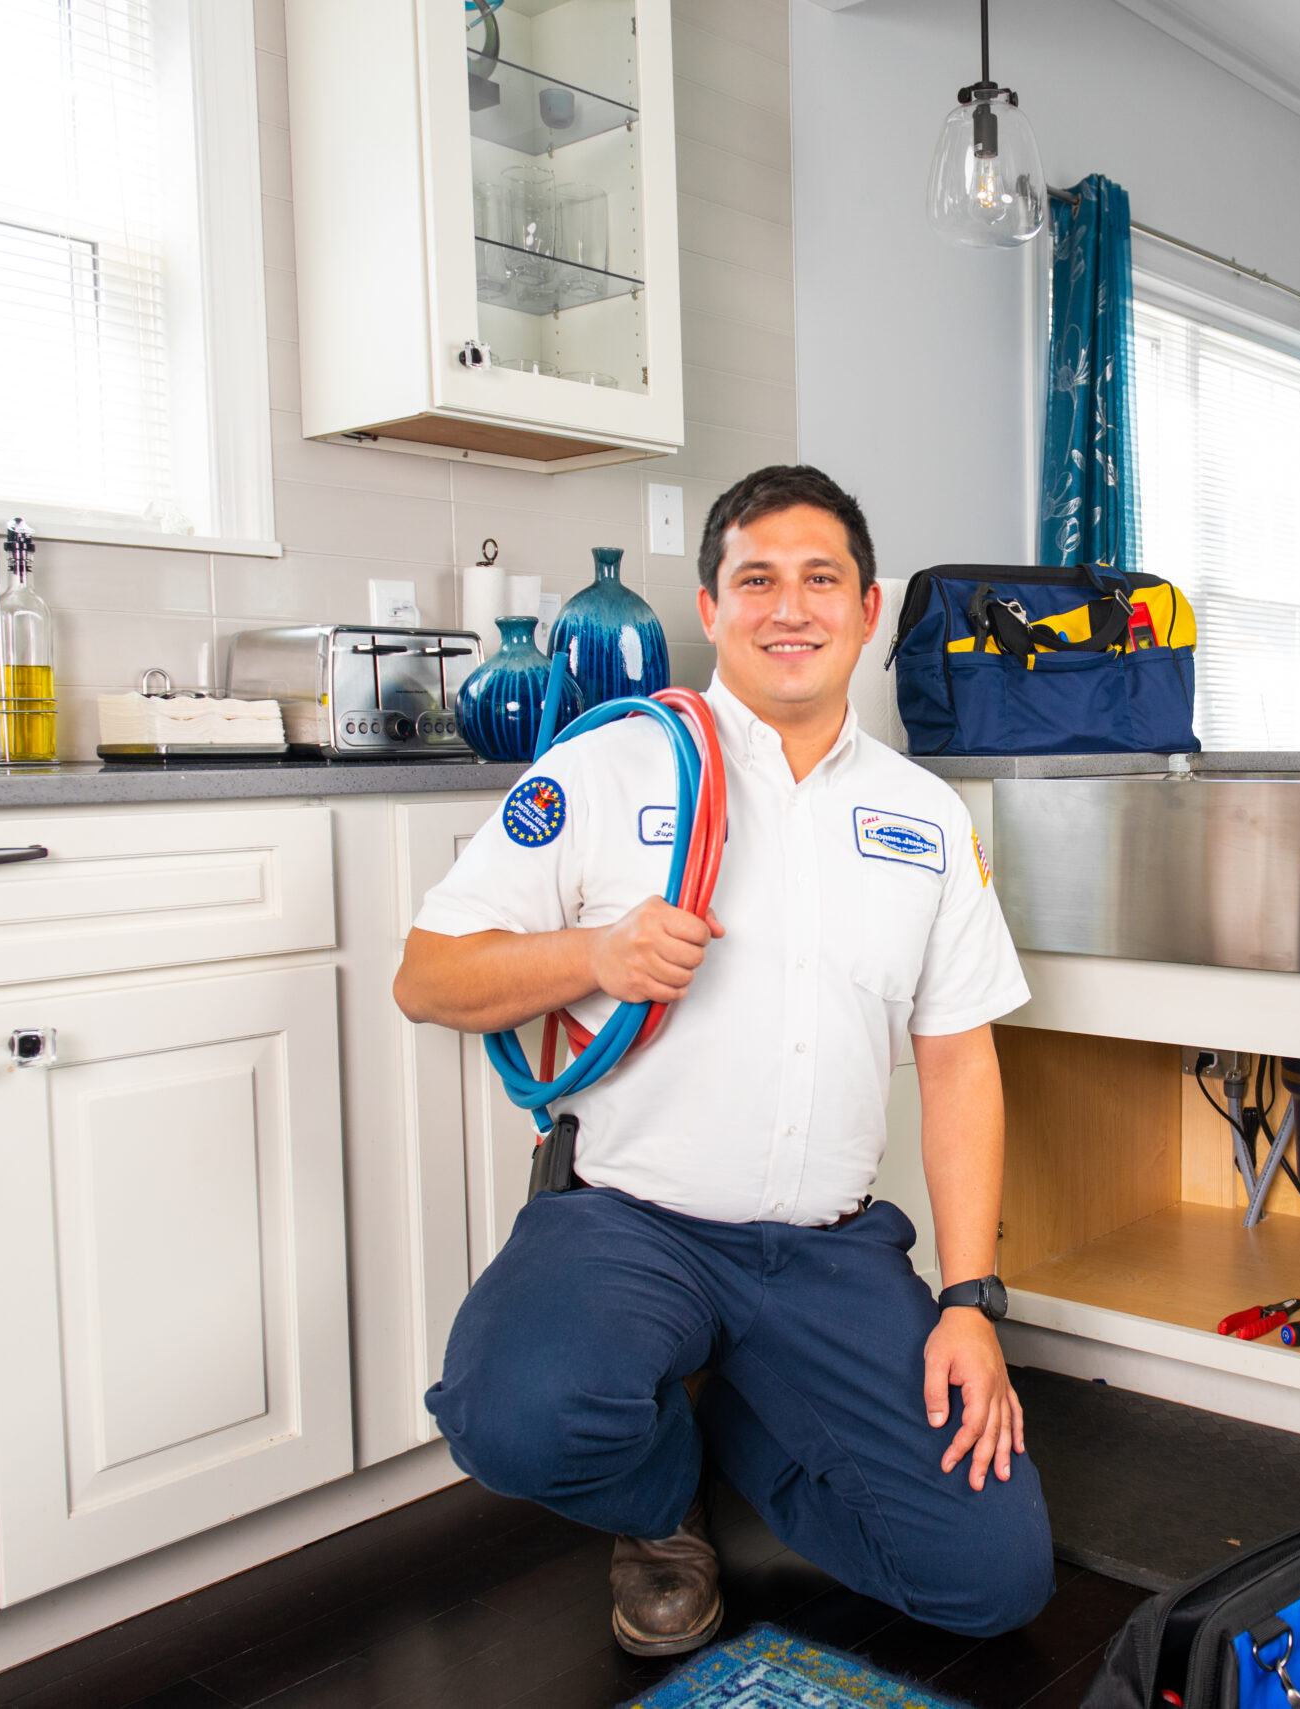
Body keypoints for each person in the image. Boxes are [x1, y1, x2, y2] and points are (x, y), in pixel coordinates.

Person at [394, 465, 1051, 1656]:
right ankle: (663, 1497)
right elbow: (426, 975)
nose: (788, 607)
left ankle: (742, 1400)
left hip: (826, 1251)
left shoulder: (925, 817)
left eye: (820, 580)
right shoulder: (611, 766)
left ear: (865, 610)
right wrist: (593, 950)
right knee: (515, 1416)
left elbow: (959, 1063)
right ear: (709, 608)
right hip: (631, 1221)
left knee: (989, 1579)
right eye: (756, 579)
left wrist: (968, 1301)